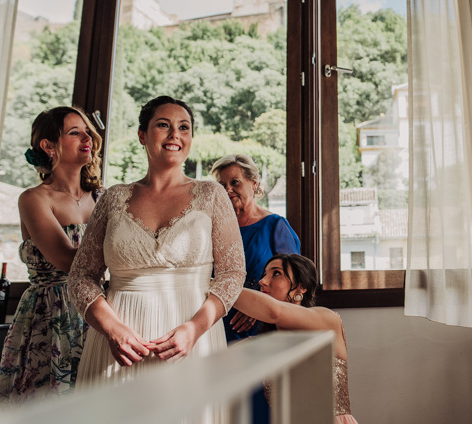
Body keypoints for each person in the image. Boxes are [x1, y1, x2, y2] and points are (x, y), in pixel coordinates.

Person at [68, 96, 245, 416]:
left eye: (184, 127)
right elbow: (81, 275)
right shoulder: (113, 198)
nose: (175, 134)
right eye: (164, 125)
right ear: (142, 135)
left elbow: (233, 273)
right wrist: (112, 329)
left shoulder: (212, 195)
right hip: (118, 347)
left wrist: (195, 328)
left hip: (192, 341)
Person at [0, 106, 103, 405]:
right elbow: (68, 260)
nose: (88, 138)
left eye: (88, 131)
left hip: (97, 311)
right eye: (75, 132)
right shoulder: (34, 199)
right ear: (48, 145)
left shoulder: (102, 198)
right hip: (50, 315)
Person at [234, 254, 359, 424]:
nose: (262, 281)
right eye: (264, 275)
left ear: (301, 286)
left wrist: (217, 286)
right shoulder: (261, 345)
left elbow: (275, 312)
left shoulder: (327, 320)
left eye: (276, 273)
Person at [210, 154, 300, 342]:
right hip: (215, 321)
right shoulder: (213, 227)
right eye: (222, 185)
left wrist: (257, 305)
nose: (228, 189)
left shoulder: (275, 225)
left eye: (235, 182)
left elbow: (292, 279)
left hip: (260, 325)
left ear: (254, 183)